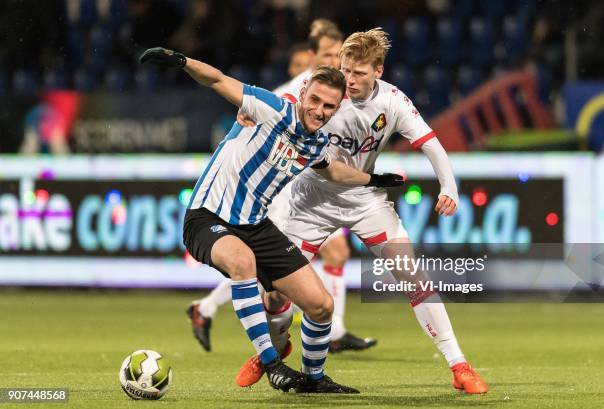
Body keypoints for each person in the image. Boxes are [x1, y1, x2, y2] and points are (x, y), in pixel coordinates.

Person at [234, 28, 489, 395]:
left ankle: (459, 365)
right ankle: (273, 350)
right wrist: (249, 109)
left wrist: (449, 186)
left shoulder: (393, 102)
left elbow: (430, 143)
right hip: (309, 200)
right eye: (346, 69)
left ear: (378, 72)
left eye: (359, 73)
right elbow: (278, 99)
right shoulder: (320, 84)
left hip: (365, 198)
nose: (349, 80)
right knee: (275, 294)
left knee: (410, 274)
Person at [139, 46, 404, 393]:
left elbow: (333, 171)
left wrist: (374, 179)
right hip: (207, 217)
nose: (319, 111)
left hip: (256, 226)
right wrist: (180, 61)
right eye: (316, 100)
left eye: (329, 106)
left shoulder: (316, 144)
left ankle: (313, 378)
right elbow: (217, 79)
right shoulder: (269, 108)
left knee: (321, 305)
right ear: (304, 92)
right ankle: (271, 363)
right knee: (241, 261)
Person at [188, 19, 376, 358]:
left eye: (341, 57)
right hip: (280, 193)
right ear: (312, 55)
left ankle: (330, 330)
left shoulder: (337, 95)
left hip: (306, 184)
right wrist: (245, 113)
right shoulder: (298, 90)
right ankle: (309, 337)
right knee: (261, 271)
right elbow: (263, 107)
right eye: (330, 55)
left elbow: (330, 157)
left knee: (279, 271)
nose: (337, 63)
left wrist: (368, 177)